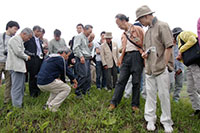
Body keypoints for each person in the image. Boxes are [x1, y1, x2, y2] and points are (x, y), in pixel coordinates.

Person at [135, 5, 174, 132]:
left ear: (146, 16)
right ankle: (150, 119)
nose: (141, 23)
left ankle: (167, 121)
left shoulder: (162, 26)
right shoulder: (147, 32)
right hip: (149, 68)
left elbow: (168, 46)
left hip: (161, 68)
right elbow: (147, 49)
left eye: (141, 20)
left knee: (163, 95)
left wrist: (164, 64)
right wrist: (145, 54)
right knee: (150, 95)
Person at [109, 14, 144, 113]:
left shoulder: (138, 29)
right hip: (126, 57)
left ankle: (135, 105)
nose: (118, 26)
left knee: (136, 82)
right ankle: (113, 103)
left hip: (137, 56)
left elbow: (144, 43)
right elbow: (124, 47)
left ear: (123, 20)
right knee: (121, 81)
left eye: (118, 23)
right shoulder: (123, 35)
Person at [37, 48, 77, 112]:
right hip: (47, 82)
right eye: (68, 55)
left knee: (57, 89)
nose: (67, 58)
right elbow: (65, 72)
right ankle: (52, 107)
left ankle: (47, 105)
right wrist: (74, 81)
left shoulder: (49, 57)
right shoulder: (60, 59)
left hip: (39, 82)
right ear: (63, 53)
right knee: (66, 88)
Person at [5, 28, 32, 108]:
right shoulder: (15, 39)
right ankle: (17, 106)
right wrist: (27, 57)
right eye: (28, 37)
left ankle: (19, 103)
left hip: (19, 67)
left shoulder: (20, 40)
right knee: (17, 87)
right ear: (24, 33)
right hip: (15, 67)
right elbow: (18, 52)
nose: (28, 39)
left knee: (20, 87)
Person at [176, 30, 200, 118]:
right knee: (190, 89)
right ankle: (198, 110)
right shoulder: (179, 41)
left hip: (196, 63)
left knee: (199, 86)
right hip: (190, 65)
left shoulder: (182, 34)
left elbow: (193, 40)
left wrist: (180, 50)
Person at [0, 21, 20, 104]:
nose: (16, 31)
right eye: (15, 29)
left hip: (9, 62)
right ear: (9, 27)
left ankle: (6, 102)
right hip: (0, 61)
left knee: (9, 83)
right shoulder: (1, 36)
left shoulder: (14, 39)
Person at [73, 25, 93, 97]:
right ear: (84, 29)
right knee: (83, 75)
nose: (90, 33)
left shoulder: (86, 38)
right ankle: (78, 92)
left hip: (87, 58)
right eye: (89, 31)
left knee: (88, 76)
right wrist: (81, 56)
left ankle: (86, 91)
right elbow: (76, 47)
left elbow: (86, 49)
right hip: (81, 58)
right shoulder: (79, 36)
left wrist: (90, 46)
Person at [24, 26, 44, 97]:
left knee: (38, 76)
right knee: (32, 76)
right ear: (34, 31)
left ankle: (38, 91)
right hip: (32, 60)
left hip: (39, 59)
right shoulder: (29, 39)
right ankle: (32, 93)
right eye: (37, 31)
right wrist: (29, 54)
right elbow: (24, 48)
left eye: (40, 32)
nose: (39, 33)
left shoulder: (40, 41)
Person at [170, 27, 185, 102]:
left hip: (180, 67)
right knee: (170, 84)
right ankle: (166, 99)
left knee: (179, 85)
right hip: (170, 67)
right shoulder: (169, 45)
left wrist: (180, 68)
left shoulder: (183, 45)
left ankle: (176, 100)